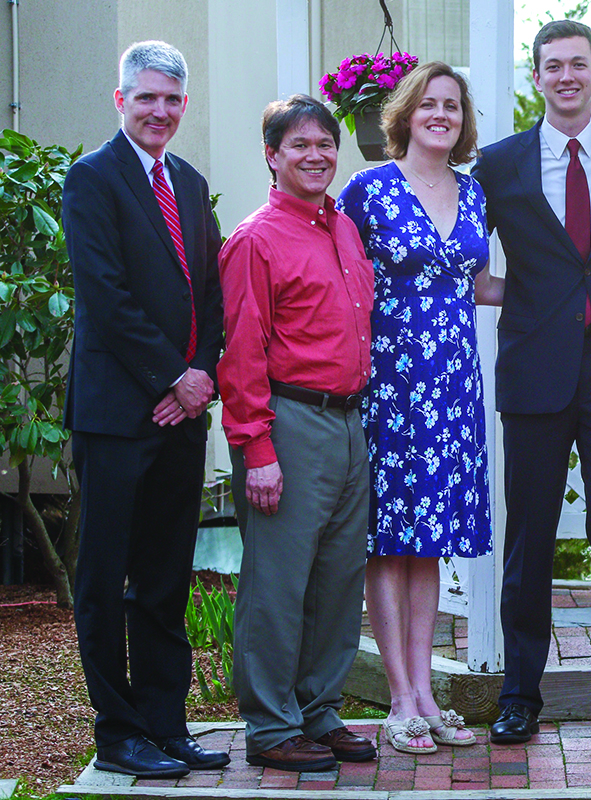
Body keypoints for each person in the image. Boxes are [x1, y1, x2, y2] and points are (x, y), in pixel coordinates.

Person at [472, 19, 591, 743]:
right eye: (553, 66)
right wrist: (509, 297)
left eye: (578, 65)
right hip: (534, 370)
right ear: (537, 77)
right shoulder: (500, 163)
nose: (566, 77)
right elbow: (466, 249)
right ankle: (521, 693)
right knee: (530, 536)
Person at [61, 40, 228, 778]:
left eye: (171, 99)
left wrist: (201, 375)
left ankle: (166, 723)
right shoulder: (91, 179)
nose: (159, 110)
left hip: (183, 413)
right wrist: (171, 377)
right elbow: (106, 295)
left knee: (165, 577)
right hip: (118, 414)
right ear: (121, 100)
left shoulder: (189, 183)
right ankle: (118, 732)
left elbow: (211, 296)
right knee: (105, 578)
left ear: (183, 106)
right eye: (146, 97)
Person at [338, 61, 502, 754]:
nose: (442, 114)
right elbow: (335, 274)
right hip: (389, 384)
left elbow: (480, 283)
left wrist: (574, 297)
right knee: (389, 540)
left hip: (454, 384)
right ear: (406, 113)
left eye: (454, 107)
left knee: (428, 541)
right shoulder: (367, 190)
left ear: (464, 122)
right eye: (430, 104)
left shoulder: (473, 194)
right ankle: (399, 700)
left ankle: (428, 695)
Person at [218, 95, 377, 772]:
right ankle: (272, 725)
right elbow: (241, 354)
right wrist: (257, 451)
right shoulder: (256, 240)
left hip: (348, 422)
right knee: (279, 585)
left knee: (339, 581)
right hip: (288, 424)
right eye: (299, 145)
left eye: (324, 144)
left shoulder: (341, 228)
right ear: (272, 156)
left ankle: (320, 711)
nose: (315, 155)